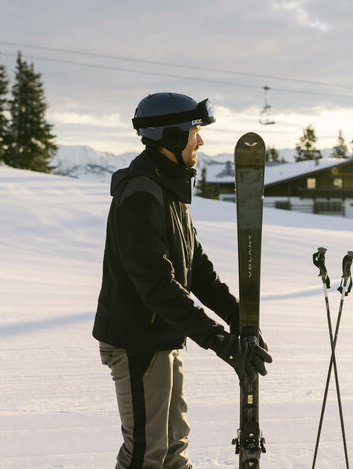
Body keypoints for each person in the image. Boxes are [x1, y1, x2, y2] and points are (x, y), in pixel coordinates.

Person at [93, 92, 272, 469]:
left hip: (161, 337)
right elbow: (157, 285)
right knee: (146, 453)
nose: (200, 140)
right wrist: (218, 340)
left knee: (174, 449)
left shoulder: (168, 188)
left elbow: (196, 267)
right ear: (170, 136)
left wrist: (238, 316)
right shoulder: (142, 194)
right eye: (194, 131)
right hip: (137, 342)